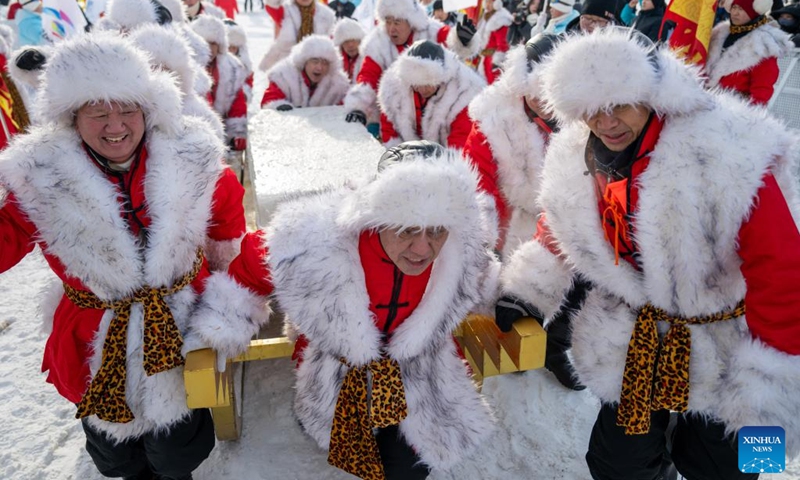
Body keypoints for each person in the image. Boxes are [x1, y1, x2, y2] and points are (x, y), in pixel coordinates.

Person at [501, 27, 800, 479]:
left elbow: (783, 268)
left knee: (737, 467)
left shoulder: (727, 150)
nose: (606, 123)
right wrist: (526, 292)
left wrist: (775, 379)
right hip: (636, 336)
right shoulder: (574, 154)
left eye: (619, 104)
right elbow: (560, 226)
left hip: (727, 340)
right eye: (590, 112)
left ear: (653, 92)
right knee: (616, 463)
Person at [0, 33, 264, 480]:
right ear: (72, 117)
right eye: (97, 112)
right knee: (115, 456)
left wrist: (222, 302)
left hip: (181, 324)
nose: (115, 124)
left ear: (148, 109)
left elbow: (225, 228)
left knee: (177, 450)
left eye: (126, 109)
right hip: (95, 334)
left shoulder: (191, 159)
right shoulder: (39, 178)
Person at [220, 141, 498, 480]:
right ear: (378, 215)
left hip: (415, 376)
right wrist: (218, 325)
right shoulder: (317, 241)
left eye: (437, 230)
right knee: (345, 440)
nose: (423, 248)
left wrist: (518, 300)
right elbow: (251, 266)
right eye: (407, 228)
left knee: (405, 469)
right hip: (335, 373)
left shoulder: (460, 251)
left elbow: (488, 282)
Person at [342, 0, 474, 133]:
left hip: (433, 116)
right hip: (392, 119)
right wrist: (358, 108)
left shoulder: (431, 31)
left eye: (397, 22)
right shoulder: (376, 43)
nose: (391, 28)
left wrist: (462, 40)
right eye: (388, 21)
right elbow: (367, 77)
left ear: (410, 21)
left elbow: (453, 45)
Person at [378, 40, 485, 149]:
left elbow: (460, 142)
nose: (423, 90)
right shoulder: (394, 89)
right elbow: (390, 129)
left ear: (442, 77)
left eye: (428, 83)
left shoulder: (463, 94)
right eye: (417, 84)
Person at [706, 0, 793, 105]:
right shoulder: (718, 34)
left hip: (736, 110)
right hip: (707, 103)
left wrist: (752, 115)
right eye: (734, 7)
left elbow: (762, 87)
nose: (735, 13)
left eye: (741, 9)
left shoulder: (764, 43)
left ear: (753, 12)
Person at [192, 14, 249, 152]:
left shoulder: (233, 69)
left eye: (213, 43)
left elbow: (237, 103)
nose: (209, 48)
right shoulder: (187, 68)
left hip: (221, 133)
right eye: (205, 43)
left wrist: (237, 132)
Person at [260, 34, 350, 110]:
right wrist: (280, 107)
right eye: (315, 61)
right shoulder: (284, 77)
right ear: (304, 62)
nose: (319, 67)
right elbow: (270, 100)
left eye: (325, 63)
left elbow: (345, 106)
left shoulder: (338, 84)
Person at [260, 0, 336, 72]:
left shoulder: (326, 15)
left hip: (316, 70)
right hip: (285, 67)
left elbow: (331, 46)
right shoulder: (284, 10)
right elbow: (271, 3)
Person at [449, 0, 514, 84]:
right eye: (486, 2)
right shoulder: (485, 16)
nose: (488, 5)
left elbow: (502, 45)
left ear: (497, 3)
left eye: (490, 2)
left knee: (493, 85)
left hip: (493, 60)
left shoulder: (501, 19)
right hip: (483, 59)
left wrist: (497, 62)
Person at [226, 20, 255, 102]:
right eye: (228, 47)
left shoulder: (244, 65)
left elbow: (248, 83)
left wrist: (244, 95)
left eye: (234, 47)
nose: (230, 51)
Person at [332, 17, 366, 83]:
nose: (350, 45)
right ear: (341, 45)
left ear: (360, 41)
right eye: (346, 41)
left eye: (353, 40)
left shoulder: (368, 60)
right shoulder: (334, 62)